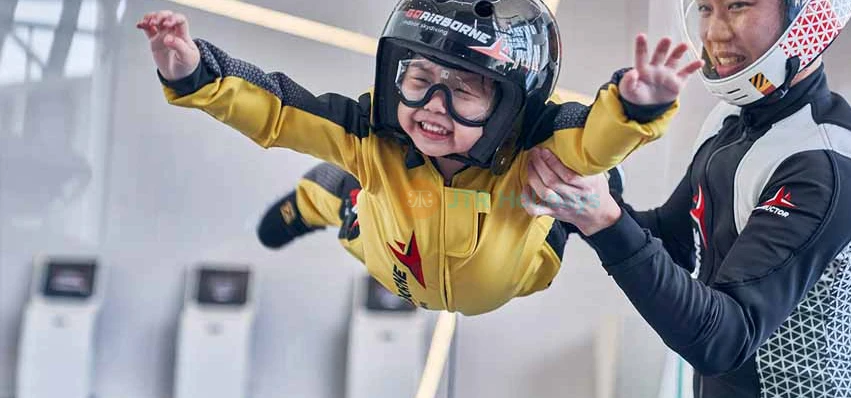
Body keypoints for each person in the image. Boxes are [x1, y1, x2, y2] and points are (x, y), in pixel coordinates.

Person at [136, 0, 703, 316]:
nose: (432, 106)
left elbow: (589, 140)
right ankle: (328, 195)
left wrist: (633, 106)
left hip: (518, 270)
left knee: (591, 174)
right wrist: (193, 72)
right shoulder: (372, 135)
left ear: (512, 105)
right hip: (387, 251)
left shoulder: (535, 144)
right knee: (355, 208)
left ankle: (344, 193)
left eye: (463, 90)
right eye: (420, 79)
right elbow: (279, 109)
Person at [522, 0, 851, 396]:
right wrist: (587, 193)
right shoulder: (729, 122)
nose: (714, 33)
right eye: (705, 8)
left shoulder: (826, 165)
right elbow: (677, 242)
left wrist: (604, 220)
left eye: (738, 5)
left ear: (809, 18)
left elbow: (724, 339)